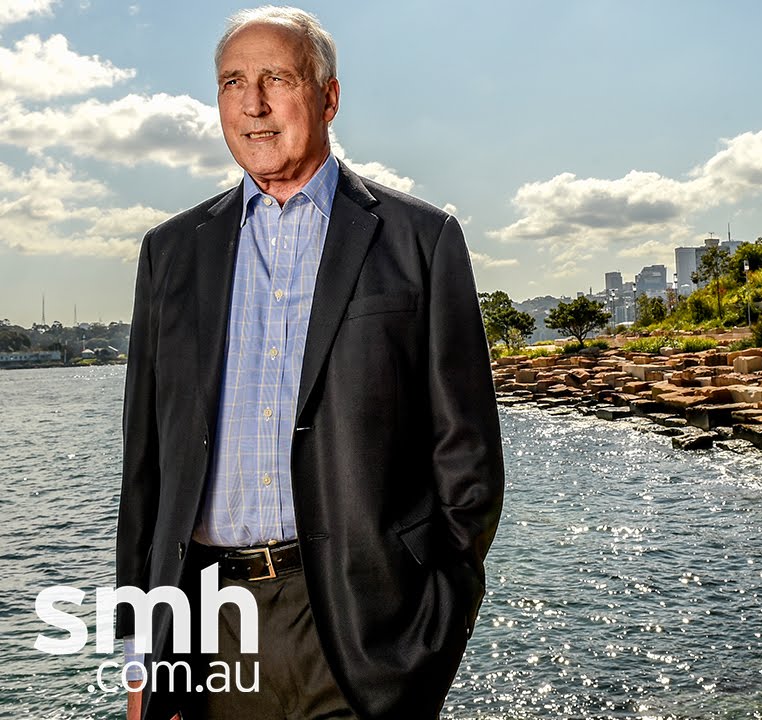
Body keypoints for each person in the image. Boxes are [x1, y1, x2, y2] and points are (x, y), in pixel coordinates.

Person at [116, 6, 504, 719]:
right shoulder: (168, 255)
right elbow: (144, 472)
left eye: (275, 79)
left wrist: (433, 626)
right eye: (233, 82)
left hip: (361, 627)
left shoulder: (422, 241)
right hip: (206, 634)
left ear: (327, 97)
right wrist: (144, 654)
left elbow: (468, 459)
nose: (253, 104)